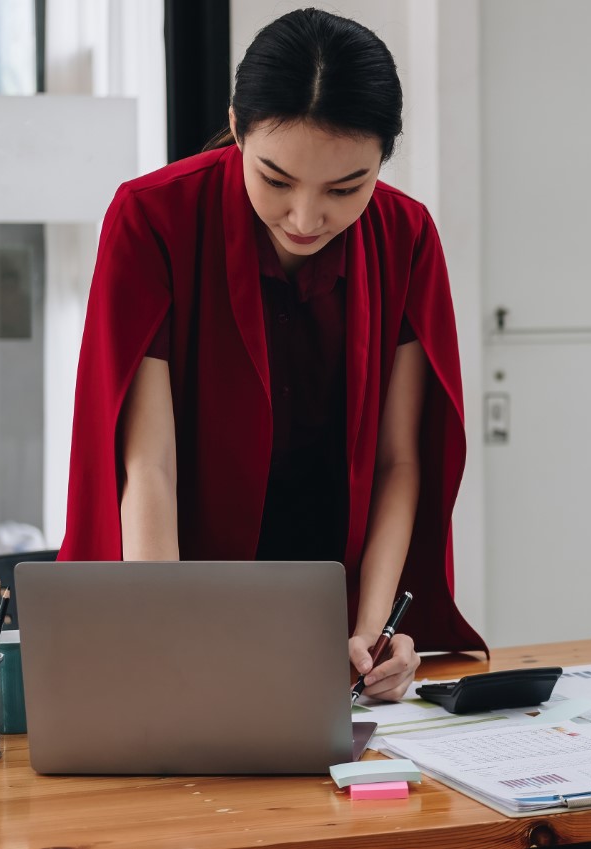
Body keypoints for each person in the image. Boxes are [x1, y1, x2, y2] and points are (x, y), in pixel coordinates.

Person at [59, 8, 486, 701]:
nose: (306, 217)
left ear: (384, 156)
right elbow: (149, 465)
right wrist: (161, 632)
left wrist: (372, 632)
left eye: (347, 187)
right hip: (181, 589)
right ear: (236, 126)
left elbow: (399, 460)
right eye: (276, 179)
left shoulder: (405, 234)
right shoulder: (153, 218)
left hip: (326, 606)